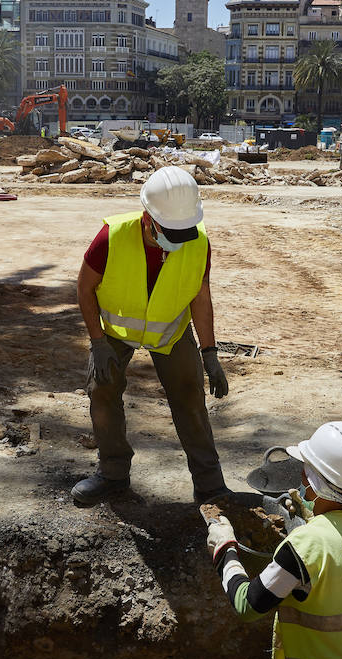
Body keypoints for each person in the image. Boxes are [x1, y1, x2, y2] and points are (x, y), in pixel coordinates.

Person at [73, 166, 230, 505]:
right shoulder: (111, 237)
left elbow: (200, 296)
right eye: (170, 231)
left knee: (190, 394)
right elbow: (85, 289)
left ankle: (210, 485)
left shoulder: (198, 242)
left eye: (184, 231)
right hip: (115, 331)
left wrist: (210, 353)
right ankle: (113, 473)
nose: (178, 240)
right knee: (102, 389)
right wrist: (98, 342)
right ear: (147, 218)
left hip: (170, 331)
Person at [205, 421, 342, 659]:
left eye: (306, 473)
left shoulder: (304, 546)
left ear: (315, 484)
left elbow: (247, 605)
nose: (302, 481)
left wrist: (225, 550)